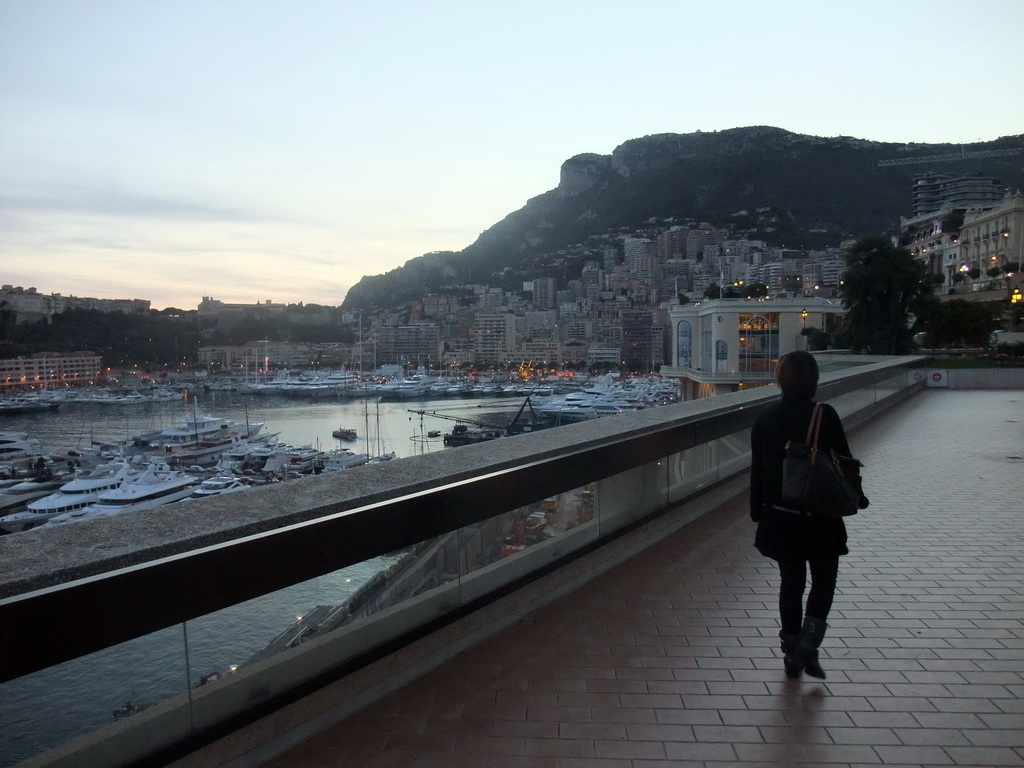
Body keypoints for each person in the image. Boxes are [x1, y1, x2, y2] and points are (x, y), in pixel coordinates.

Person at [749, 351, 868, 679]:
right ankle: (807, 644)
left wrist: (757, 511)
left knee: (791, 582)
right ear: (814, 380)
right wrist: (857, 496)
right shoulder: (823, 415)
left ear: (780, 379)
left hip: (780, 515)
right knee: (824, 579)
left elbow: (758, 471)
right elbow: (844, 460)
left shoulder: (765, 418)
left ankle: (791, 649)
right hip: (820, 515)